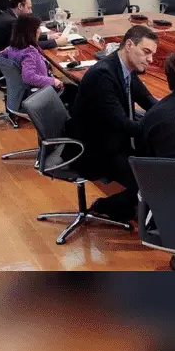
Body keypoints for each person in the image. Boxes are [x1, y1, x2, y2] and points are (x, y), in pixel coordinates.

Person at [66, 25, 160, 220]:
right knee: (152, 180)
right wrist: (160, 125)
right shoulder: (103, 75)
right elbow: (124, 125)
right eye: (146, 52)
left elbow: (149, 102)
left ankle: (130, 206)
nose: (150, 59)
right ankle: (107, 205)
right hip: (95, 151)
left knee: (157, 166)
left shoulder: (126, 69)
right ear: (129, 45)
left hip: (115, 142)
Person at [0, 13, 67, 93]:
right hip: (42, 93)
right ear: (30, 32)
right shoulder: (29, 52)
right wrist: (53, 81)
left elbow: (0, 57)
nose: (40, 31)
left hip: (21, 92)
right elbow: (29, 77)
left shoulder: (11, 48)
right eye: (38, 28)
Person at [0, 0, 67, 56]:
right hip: (5, 62)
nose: (31, 12)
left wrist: (49, 36)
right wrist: (56, 42)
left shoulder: (7, 14)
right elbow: (28, 45)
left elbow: (27, 38)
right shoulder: (12, 22)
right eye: (28, 8)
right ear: (20, 6)